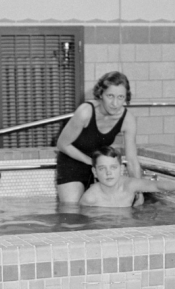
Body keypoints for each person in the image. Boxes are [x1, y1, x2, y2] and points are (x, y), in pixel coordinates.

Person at [55, 71, 141, 203]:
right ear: (100, 94)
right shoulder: (85, 112)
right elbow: (62, 144)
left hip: (99, 166)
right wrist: (91, 162)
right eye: (110, 96)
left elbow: (132, 160)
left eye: (120, 97)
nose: (115, 103)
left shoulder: (128, 119)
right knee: (71, 209)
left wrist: (138, 190)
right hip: (72, 162)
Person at [79, 147, 175, 207]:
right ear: (95, 172)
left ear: (122, 169)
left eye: (113, 167)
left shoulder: (129, 185)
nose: (108, 173)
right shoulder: (89, 198)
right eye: (102, 169)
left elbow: (156, 185)